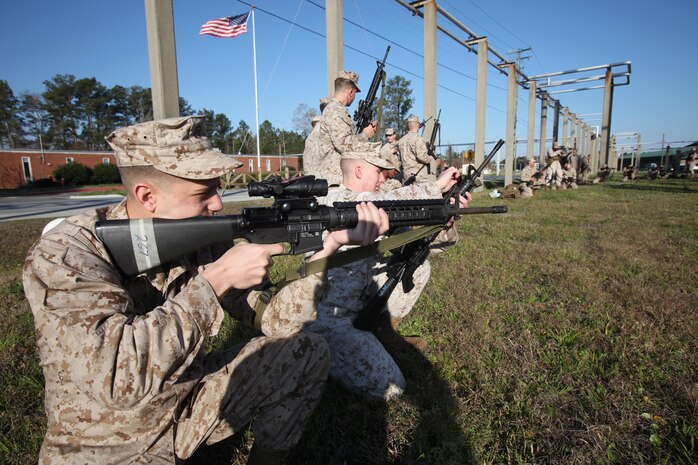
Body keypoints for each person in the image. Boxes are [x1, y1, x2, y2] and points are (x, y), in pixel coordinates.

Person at [22, 116, 388, 465]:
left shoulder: (203, 237)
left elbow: (279, 322)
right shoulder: (66, 255)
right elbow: (118, 380)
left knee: (307, 350)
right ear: (147, 195)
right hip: (106, 440)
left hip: (185, 397)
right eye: (204, 192)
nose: (217, 203)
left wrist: (328, 248)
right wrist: (214, 281)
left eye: (218, 189)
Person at [271, 145, 468, 400]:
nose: (383, 179)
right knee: (392, 388)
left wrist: (445, 217)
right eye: (379, 172)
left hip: (362, 301)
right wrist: (435, 187)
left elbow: (422, 243)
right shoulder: (332, 202)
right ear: (360, 170)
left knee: (418, 266)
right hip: (328, 318)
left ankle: (380, 329)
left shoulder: (377, 208)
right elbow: (381, 203)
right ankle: (318, 355)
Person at [309, 71, 376, 186]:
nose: (355, 97)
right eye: (355, 93)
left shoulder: (338, 111)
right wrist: (365, 134)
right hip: (334, 181)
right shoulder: (335, 111)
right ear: (350, 91)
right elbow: (344, 145)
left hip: (337, 179)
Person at [398, 114, 435, 184]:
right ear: (417, 125)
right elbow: (422, 157)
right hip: (418, 177)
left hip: (406, 176)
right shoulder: (418, 139)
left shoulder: (401, 140)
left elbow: (399, 158)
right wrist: (430, 158)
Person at [302, 97, 332, 177]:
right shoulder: (330, 130)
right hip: (328, 183)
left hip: (313, 183)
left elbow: (306, 164)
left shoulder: (310, 138)